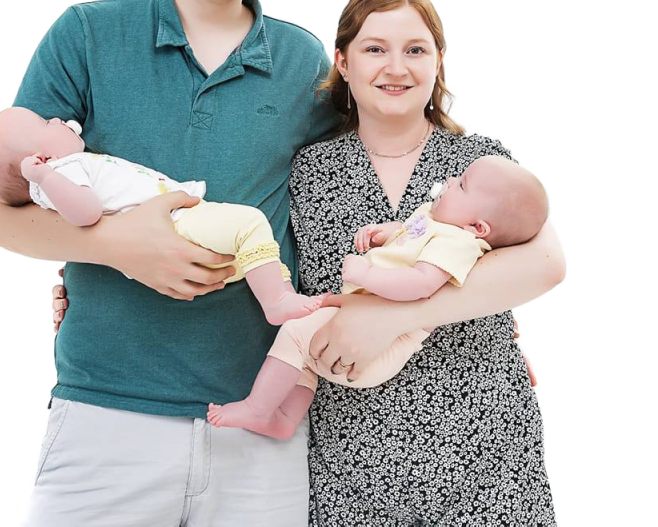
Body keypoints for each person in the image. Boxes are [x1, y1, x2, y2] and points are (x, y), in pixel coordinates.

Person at [51, 0, 566, 524]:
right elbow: (246, 243)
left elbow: (547, 263)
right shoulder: (309, 167)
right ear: (341, 62)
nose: (397, 68)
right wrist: (86, 275)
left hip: (482, 434)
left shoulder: (485, 161)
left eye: (416, 50)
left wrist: (393, 316)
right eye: (374, 49)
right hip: (353, 448)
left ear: (440, 60)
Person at [0, 0, 344, 526]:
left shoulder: (304, 63)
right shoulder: (85, 34)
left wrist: (483, 327)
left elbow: (379, 185)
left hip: (259, 425)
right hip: (106, 413)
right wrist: (115, 245)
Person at [206, 154, 550, 439]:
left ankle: (256, 407)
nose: (449, 182)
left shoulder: (457, 243)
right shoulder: (440, 222)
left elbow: (421, 283)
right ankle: (283, 419)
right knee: (306, 361)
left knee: (296, 333)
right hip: (361, 329)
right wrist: (390, 233)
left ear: (478, 228)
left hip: (383, 346)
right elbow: (412, 237)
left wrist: (368, 274)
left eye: (461, 185)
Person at [0, 107, 327, 325]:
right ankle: (276, 300)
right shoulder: (63, 173)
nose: (58, 119)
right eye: (47, 123)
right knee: (249, 223)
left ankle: (275, 291)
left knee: (243, 245)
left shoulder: (68, 168)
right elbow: (85, 213)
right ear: (41, 159)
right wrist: (45, 178)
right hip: (174, 227)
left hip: (180, 224)